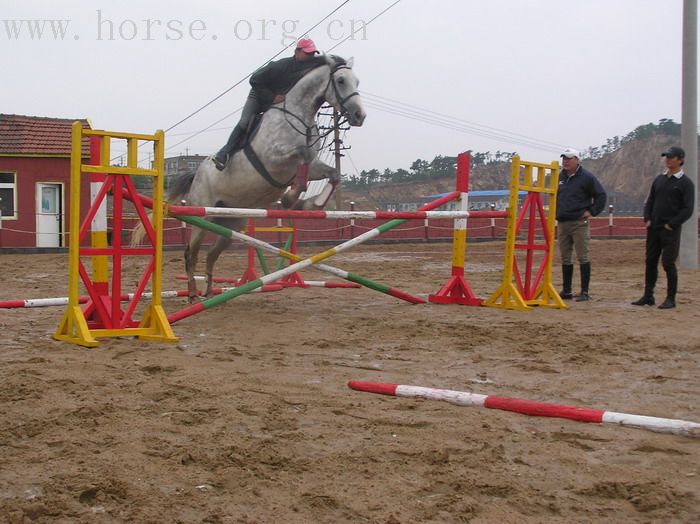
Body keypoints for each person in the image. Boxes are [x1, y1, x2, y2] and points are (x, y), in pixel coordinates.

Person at [212, 38, 327, 171]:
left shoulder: (309, 67)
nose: (310, 57)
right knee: (245, 122)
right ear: (297, 52)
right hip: (259, 96)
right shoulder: (280, 66)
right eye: (308, 53)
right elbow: (254, 79)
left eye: (312, 54)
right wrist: (272, 97)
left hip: (280, 101)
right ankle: (223, 155)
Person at [631, 146, 695, 309]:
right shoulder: (659, 179)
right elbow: (650, 200)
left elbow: (688, 208)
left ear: (680, 160)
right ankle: (648, 295)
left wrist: (671, 224)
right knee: (650, 261)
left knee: (668, 263)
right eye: (666, 156)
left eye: (671, 157)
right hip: (654, 227)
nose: (667, 159)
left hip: (670, 230)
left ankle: (670, 298)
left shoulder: (686, 183)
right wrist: (647, 218)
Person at [556, 148, 607, 301]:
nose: (565, 161)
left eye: (569, 158)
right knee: (565, 257)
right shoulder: (561, 176)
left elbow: (601, 195)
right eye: (564, 158)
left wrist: (591, 211)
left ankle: (584, 291)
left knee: (582, 256)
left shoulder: (587, 177)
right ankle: (567, 290)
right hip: (563, 222)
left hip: (579, 223)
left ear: (577, 160)